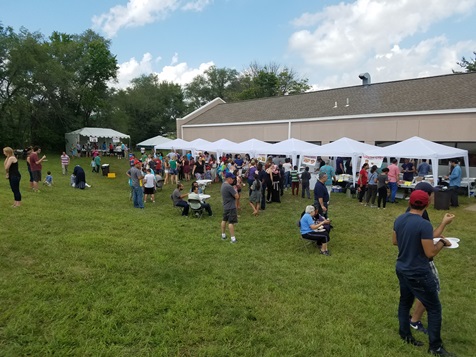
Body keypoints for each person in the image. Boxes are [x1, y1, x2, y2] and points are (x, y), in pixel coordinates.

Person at [392, 190, 454, 356]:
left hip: (402, 268)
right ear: (427, 205)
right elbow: (430, 253)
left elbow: (395, 241)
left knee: (405, 303)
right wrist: (442, 242)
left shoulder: (400, 219)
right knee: (434, 308)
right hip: (418, 272)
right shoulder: (423, 224)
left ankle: (405, 334)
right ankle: (435, 347)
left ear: (408, 203)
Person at [406, 182, 455, 337]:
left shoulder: (409, 214)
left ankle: (409, 317)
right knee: (432, 289)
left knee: (414, 290)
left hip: (408, 258)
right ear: (426, 197)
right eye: (431, 194)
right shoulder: (419, 215)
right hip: (421, 260)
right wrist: (443, 227)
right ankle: (414, 321)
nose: (433, 196)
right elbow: (430, 250)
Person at [221, 172, 239, 243]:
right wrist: (235, 189)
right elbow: (237, 197)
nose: (233, 180)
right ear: (228, 179)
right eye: (232, 178)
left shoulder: (223, 185)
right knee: (231, 222)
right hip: (231, 207)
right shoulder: (229, 187)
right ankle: (233, 239)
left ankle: (223, 235)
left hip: (225, 206)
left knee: (224, 220)